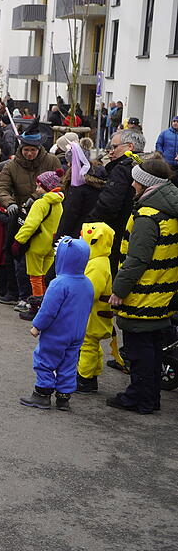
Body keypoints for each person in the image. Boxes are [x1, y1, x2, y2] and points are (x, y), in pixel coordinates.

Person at [107, 158, 178, 414]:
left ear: (146, 184)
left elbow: (137, 260)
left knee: (139, 351)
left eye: (136, 180)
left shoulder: (148, 216)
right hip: (162, 290)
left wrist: (119, 290)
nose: (132, 184)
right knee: (152, 348)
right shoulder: (168, 209)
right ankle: (150, 398)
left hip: (144, 293)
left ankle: (138, 398)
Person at [19, 237, 93, 411]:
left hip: (57, 332)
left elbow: (48, 310)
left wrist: (37, 326)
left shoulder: (59, 283)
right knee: (69, 363)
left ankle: (42, 394)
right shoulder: (87, 284)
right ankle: (63, 397)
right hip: (77, 332)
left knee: (45, 359)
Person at [0, 127, 61, 311]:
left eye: (33, 150)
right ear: (21, 149)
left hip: (45, 216)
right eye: (26, 150)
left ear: (39, 148)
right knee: (14, 254)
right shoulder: (12, 165)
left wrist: (38, 198)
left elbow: (60, 183)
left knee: (40, 262)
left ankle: (37, 299)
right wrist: (9, 204)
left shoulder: (51, 160)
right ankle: (15, 293)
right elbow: (2, 188)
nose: (29, 153)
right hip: (19, 216)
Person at [75, 222, 126, 393]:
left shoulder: (97, 264)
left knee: (87, 344)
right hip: (97, 313)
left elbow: (91, 291)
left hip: (94, 313)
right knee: (92, 344)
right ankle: (91, 376)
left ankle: (84, 378)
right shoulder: (99, 261)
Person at [86, 129, 144, 277]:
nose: (111, 152)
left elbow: (109, 205)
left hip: (116, 234)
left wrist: (89, 224)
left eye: (115, 147)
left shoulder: (122, 168)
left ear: (130, 146)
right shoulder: (146, 165)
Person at [12, 169, 64, 320]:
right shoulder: (59, 203)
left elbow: (30, 225)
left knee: (35, 277)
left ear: (46, 187)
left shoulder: (40, 203)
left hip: (36, 244)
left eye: (39, 186)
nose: (37, 189)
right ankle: (47, 306)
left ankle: (35, 307)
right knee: (46, 278)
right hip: (51, 245)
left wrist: (18, 240)